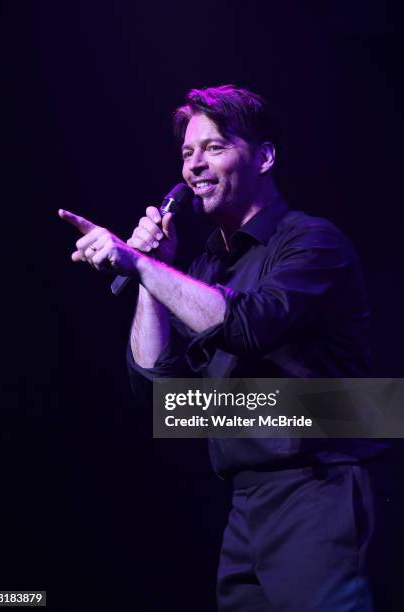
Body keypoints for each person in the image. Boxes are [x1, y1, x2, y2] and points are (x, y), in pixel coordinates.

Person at [59, 85, 395, 611]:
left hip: (319, 488)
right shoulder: (205, 269)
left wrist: (140, 264)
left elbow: (248, 326)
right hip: (245, 505)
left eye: (214, 148)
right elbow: (159, 396)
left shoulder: (312, 242)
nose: (194, 166)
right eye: (188, 153)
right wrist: (151, 273)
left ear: (263, 157)